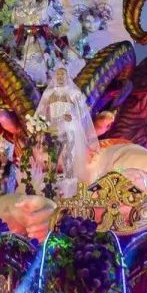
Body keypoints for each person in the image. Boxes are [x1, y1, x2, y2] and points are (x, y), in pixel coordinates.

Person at [36, 66, 97, 197]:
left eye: (62, 75)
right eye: (58, 75)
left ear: (67, 77)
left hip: (69, 128)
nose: (60, 78)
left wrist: (71, 116)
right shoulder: (48, 94)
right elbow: (42, 112)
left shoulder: (74, 93)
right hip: (53, 129)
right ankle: (50, 183)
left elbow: (83, 114)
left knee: (68, 156)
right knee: (52, 156)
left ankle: (70, 184)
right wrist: (41, 125)